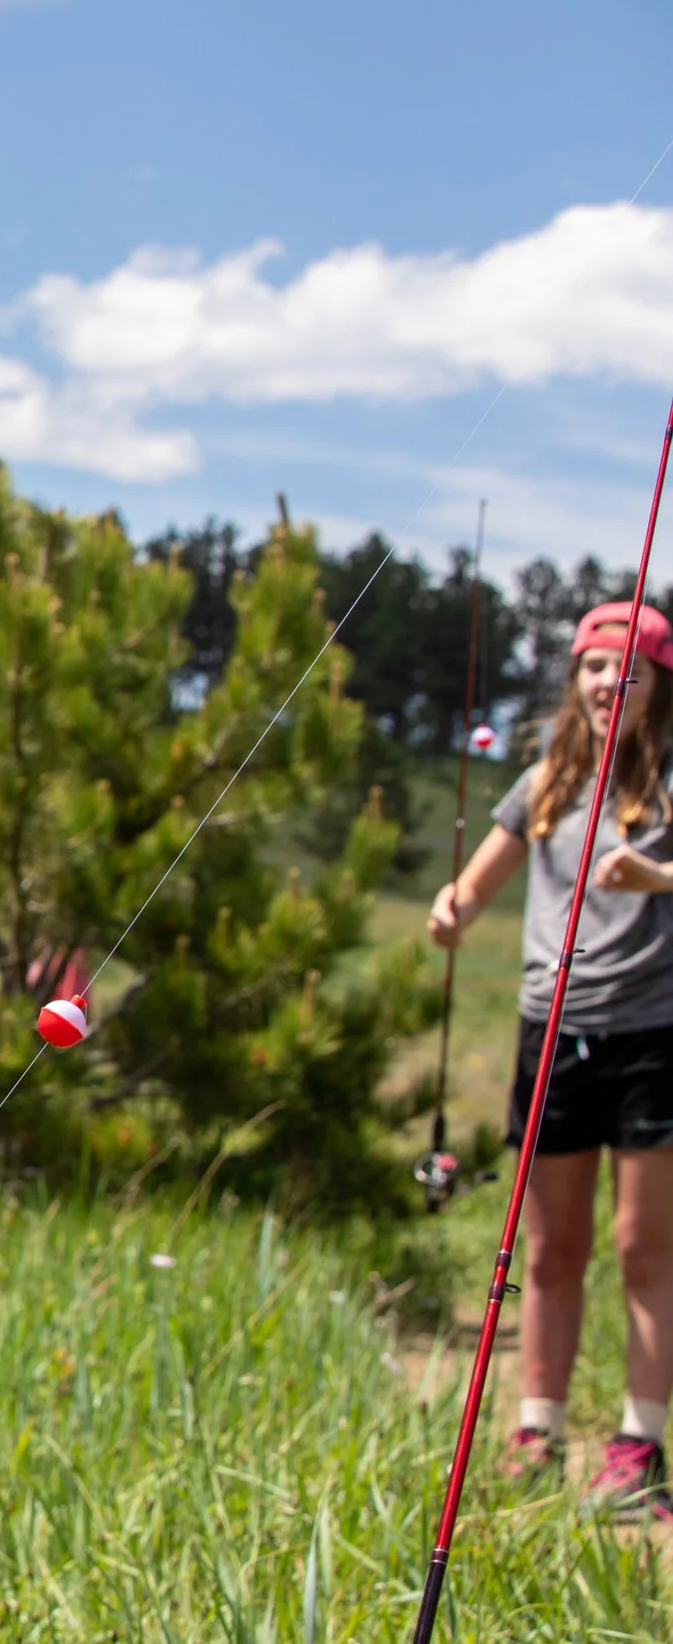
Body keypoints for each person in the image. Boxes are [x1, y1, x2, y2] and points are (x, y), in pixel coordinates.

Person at [430, 600, 673, 1520]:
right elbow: (473, 887)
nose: (615, 683)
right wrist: (450, 912)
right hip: (550, 1031)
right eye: (599, 667)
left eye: (634, 669)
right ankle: (538, 1431)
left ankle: (636, 1446)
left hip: (654, 1036)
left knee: (644, 1245)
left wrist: (656, 874)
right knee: (551, 1245)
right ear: (577, 678)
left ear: (659, 685)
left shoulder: (670, 782)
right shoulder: (543, 783)